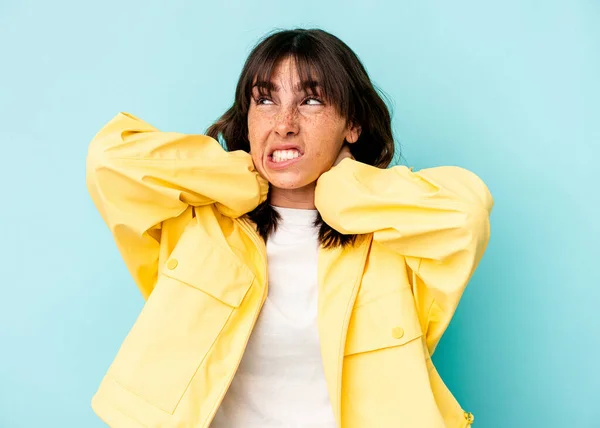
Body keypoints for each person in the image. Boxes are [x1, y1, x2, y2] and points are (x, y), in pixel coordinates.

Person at [86, 28, 493, 428]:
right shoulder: (199, 224)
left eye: (311, 100)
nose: (284, 123)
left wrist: (343, 191)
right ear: (246, 120)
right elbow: (109, 161)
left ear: (352, 124)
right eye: (265, 100)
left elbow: (465, 218)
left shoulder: (392, 245)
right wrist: (243, 177)